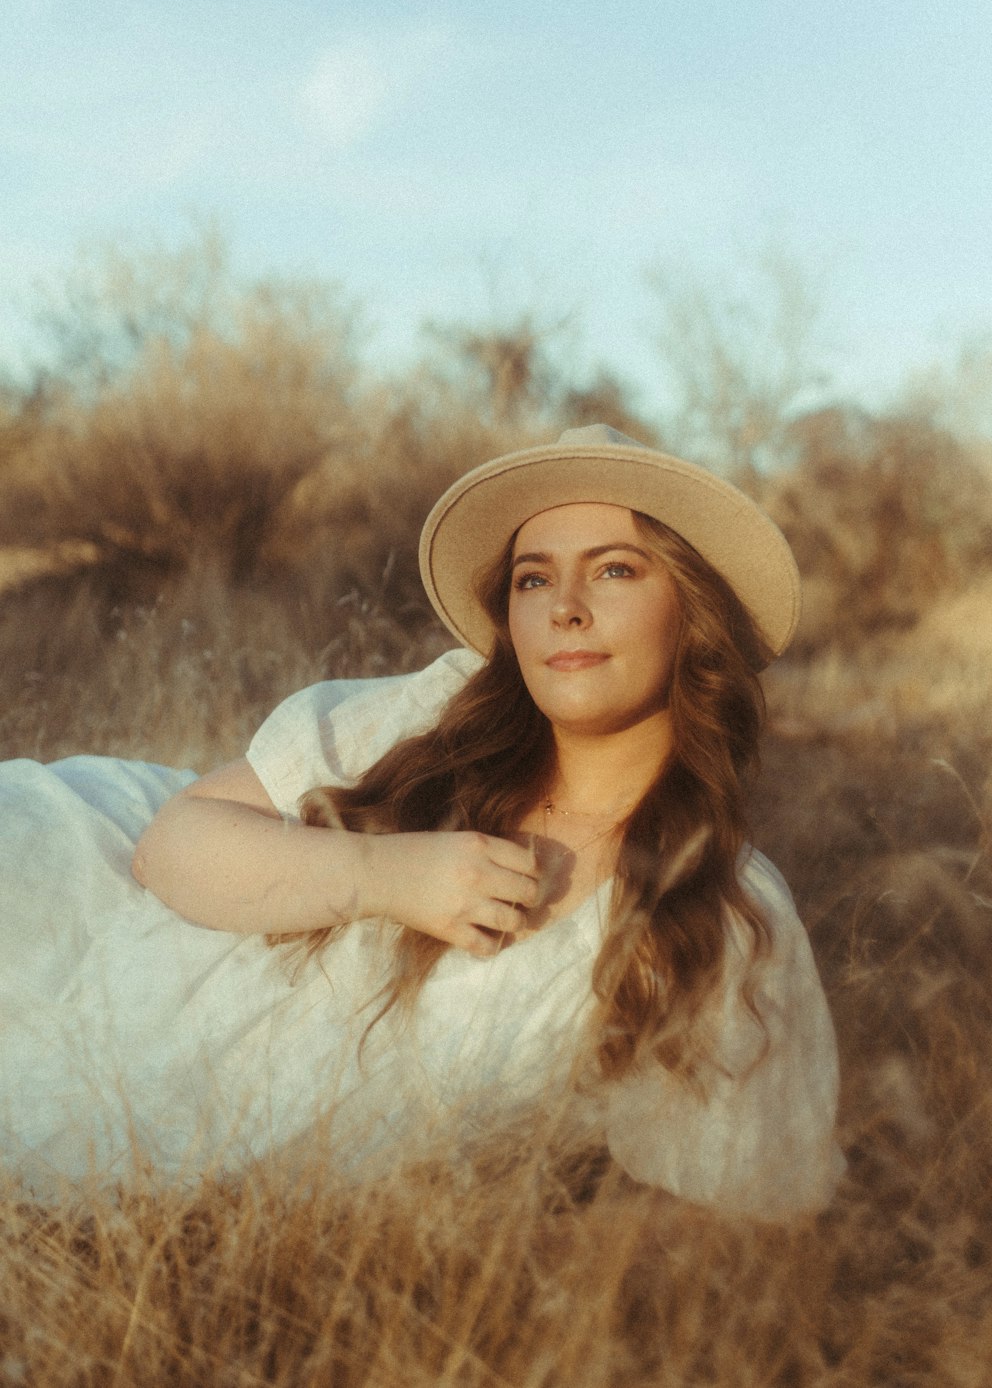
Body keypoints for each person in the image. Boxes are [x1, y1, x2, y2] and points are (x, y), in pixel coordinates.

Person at [0, 424, 843, 1216]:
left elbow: (750, 1219)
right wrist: (385, 876)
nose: (566, 607)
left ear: (691, 609)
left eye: (616, 570)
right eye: (534, 578)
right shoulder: (440, 718)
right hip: (104, 911)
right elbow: (167, 848)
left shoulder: (717, 911)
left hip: (207, 1135)